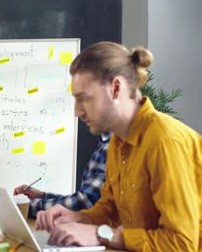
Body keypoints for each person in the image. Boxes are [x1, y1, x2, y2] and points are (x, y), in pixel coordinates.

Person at [36, 42, 201, 251]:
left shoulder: (164, 141)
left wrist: (100, 234)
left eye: (84, 99)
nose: (77, 112)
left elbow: (181, 244)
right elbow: (109, 210)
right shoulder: (117, 141)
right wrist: (78, 218)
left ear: (116, 88)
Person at [14, 132, 110, 216]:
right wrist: (43, 196)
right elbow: (84, 199)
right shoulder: (104, 144)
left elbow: (84, 202)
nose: (77, 114)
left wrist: (25, 206)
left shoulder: (110, 148)